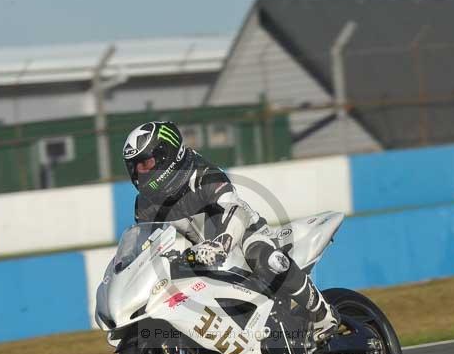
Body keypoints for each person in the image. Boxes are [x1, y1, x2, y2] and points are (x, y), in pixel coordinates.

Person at [122, 121, 339, 342]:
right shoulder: (145, 205)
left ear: (166, 155)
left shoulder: (203, 174)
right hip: (200, 257)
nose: (140, 172)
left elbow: (235, 210)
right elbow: (146, 243)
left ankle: (323, 314)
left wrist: (221, 243)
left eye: (145, 163)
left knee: (263, 257)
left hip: (243, 235)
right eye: (134, 167)